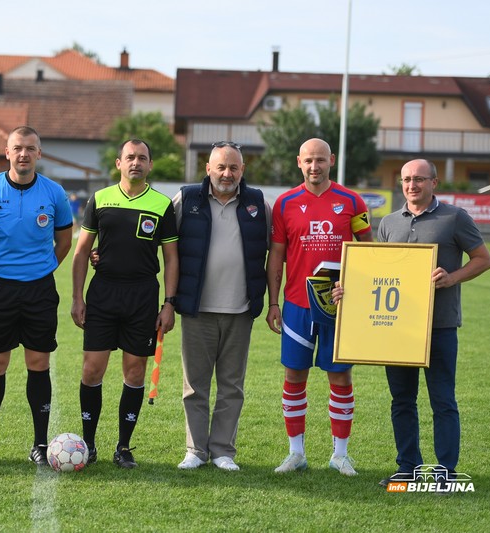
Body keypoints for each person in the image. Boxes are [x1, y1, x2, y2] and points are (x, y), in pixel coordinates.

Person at [334, 159, 490, 486]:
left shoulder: (455, 218)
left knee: (443, 400)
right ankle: (408, 467)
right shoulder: (389, 223)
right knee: (402, 401)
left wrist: (452, 278)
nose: (412, 185)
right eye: (406, 179)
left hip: (440, 326)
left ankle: (445, 471)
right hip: (399, 328)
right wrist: (349, 289)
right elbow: (380, 275)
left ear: (434, 182)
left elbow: (483, 259)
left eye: (419, 179)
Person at [265, 138, 372, 476]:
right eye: (309, 160)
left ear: (332, 161)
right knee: (294, 375)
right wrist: (273, 301)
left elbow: (370, 252)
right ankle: (296, 453)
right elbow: (277, 256)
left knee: (340, 375)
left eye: (321, 160)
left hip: (340, 306)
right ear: (299, 162)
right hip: (298, 304)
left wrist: (355, 287)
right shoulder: (285, 203)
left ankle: (340, 454)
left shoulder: (352, 201)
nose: (315, 166)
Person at [0, 126, 73, 466]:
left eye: (30, 148)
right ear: (7, 152)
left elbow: (65, 241)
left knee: (37, 363)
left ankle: (40, 445)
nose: (24, 154)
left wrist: (40, 270)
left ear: (39, 153)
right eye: (18, 148)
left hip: (40, 289)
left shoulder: (55, 193)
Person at [71, 139, 178, 469]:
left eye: (142, 158)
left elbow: (171, 258)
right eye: (130, 157)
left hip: (142, 296)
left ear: (150, 165)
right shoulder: (100, 199)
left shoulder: (162, 205)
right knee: (92, 369)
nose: (136, 162)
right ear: (119, 163)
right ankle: (88, 444)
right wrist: (78, 297)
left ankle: (124, 446)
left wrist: (169, 303)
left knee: (135, 371)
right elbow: (81, 251)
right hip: (103, 294)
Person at [174, 142, 270, 471]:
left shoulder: (258, 203)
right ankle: (196, 450)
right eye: (221, 167)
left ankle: (223, 451)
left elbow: (278, 250)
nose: (227, 174)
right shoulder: (186, 200)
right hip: (197, 309)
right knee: (195, 385)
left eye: (233, 168)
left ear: (242, 170)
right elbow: (162, 245)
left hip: (241, 310)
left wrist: (272, 301)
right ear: (208, 168)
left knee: (232, 386)